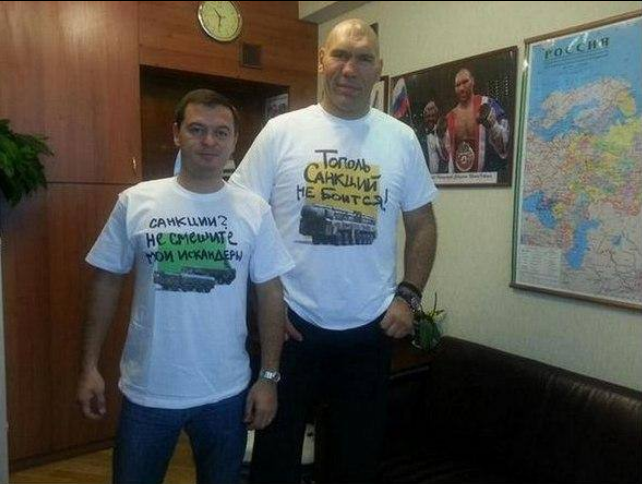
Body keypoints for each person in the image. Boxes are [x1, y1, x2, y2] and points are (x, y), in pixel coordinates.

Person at [230, 19, 438, 483]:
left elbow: (422, 223)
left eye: (363, 59)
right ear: (321, 59)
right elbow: (241, 219)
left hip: (370, 330)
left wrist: (409, 295)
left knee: (353, 464)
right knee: (274, 461)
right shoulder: (282, 132)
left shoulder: (400, 139)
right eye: (341, 55)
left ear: (378, 68)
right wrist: (261, 304)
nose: (350, 68)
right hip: (291, 328)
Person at [76, 89, 294, 484]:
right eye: (196, 129)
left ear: (234, 141)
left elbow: (270, 293)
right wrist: (89, 365)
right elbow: (106, 282)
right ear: (176, 133)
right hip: (148, 390)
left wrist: (269, 377)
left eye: (221, 132)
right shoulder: (136, 201)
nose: (209, 141)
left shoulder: (254, 210)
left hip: (226, 392)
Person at [445, 68, 510, 173]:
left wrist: (493, 125)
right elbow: (448, 155)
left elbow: (506, 145)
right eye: (457, 85)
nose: (461, 88)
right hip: (460, 180)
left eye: (465, 82)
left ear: (473, 81)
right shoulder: (450, 117)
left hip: (487, 178)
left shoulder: (488, 104)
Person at [422, 99, 452, 174]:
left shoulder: (444, 133)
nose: (430, 119)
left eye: (433, 116)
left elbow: (448, 156)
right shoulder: (420, 136)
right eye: (428, 116)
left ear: (437, 116)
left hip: (442, 177)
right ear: (424, 118)